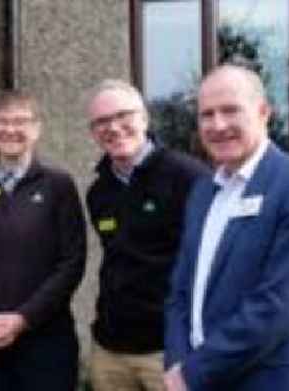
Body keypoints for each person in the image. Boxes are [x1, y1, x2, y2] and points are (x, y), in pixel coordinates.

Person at [164, 64, 289, 390]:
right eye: (206, 115)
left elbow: (278, 303)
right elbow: (180, 291)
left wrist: (193, 371)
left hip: (264, 379)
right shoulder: (203, 191)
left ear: (263, 112)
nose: (218, 125)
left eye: (230, 111)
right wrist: (176, 361)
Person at [0, 90, 86, 391]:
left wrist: (24, 318)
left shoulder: (59, 186)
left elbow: (72, 262)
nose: (11, 130)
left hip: (46, 343)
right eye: (3, 121)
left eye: (21, 122)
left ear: (37, 129)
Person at [85, 79, 208, 391]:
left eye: (122, 115)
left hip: (168, 350)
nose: (113, 127)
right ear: (93, 132)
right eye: (102, 121)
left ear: (144, 118)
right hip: (110, 350)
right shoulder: (99, 191)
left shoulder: (188, 177)